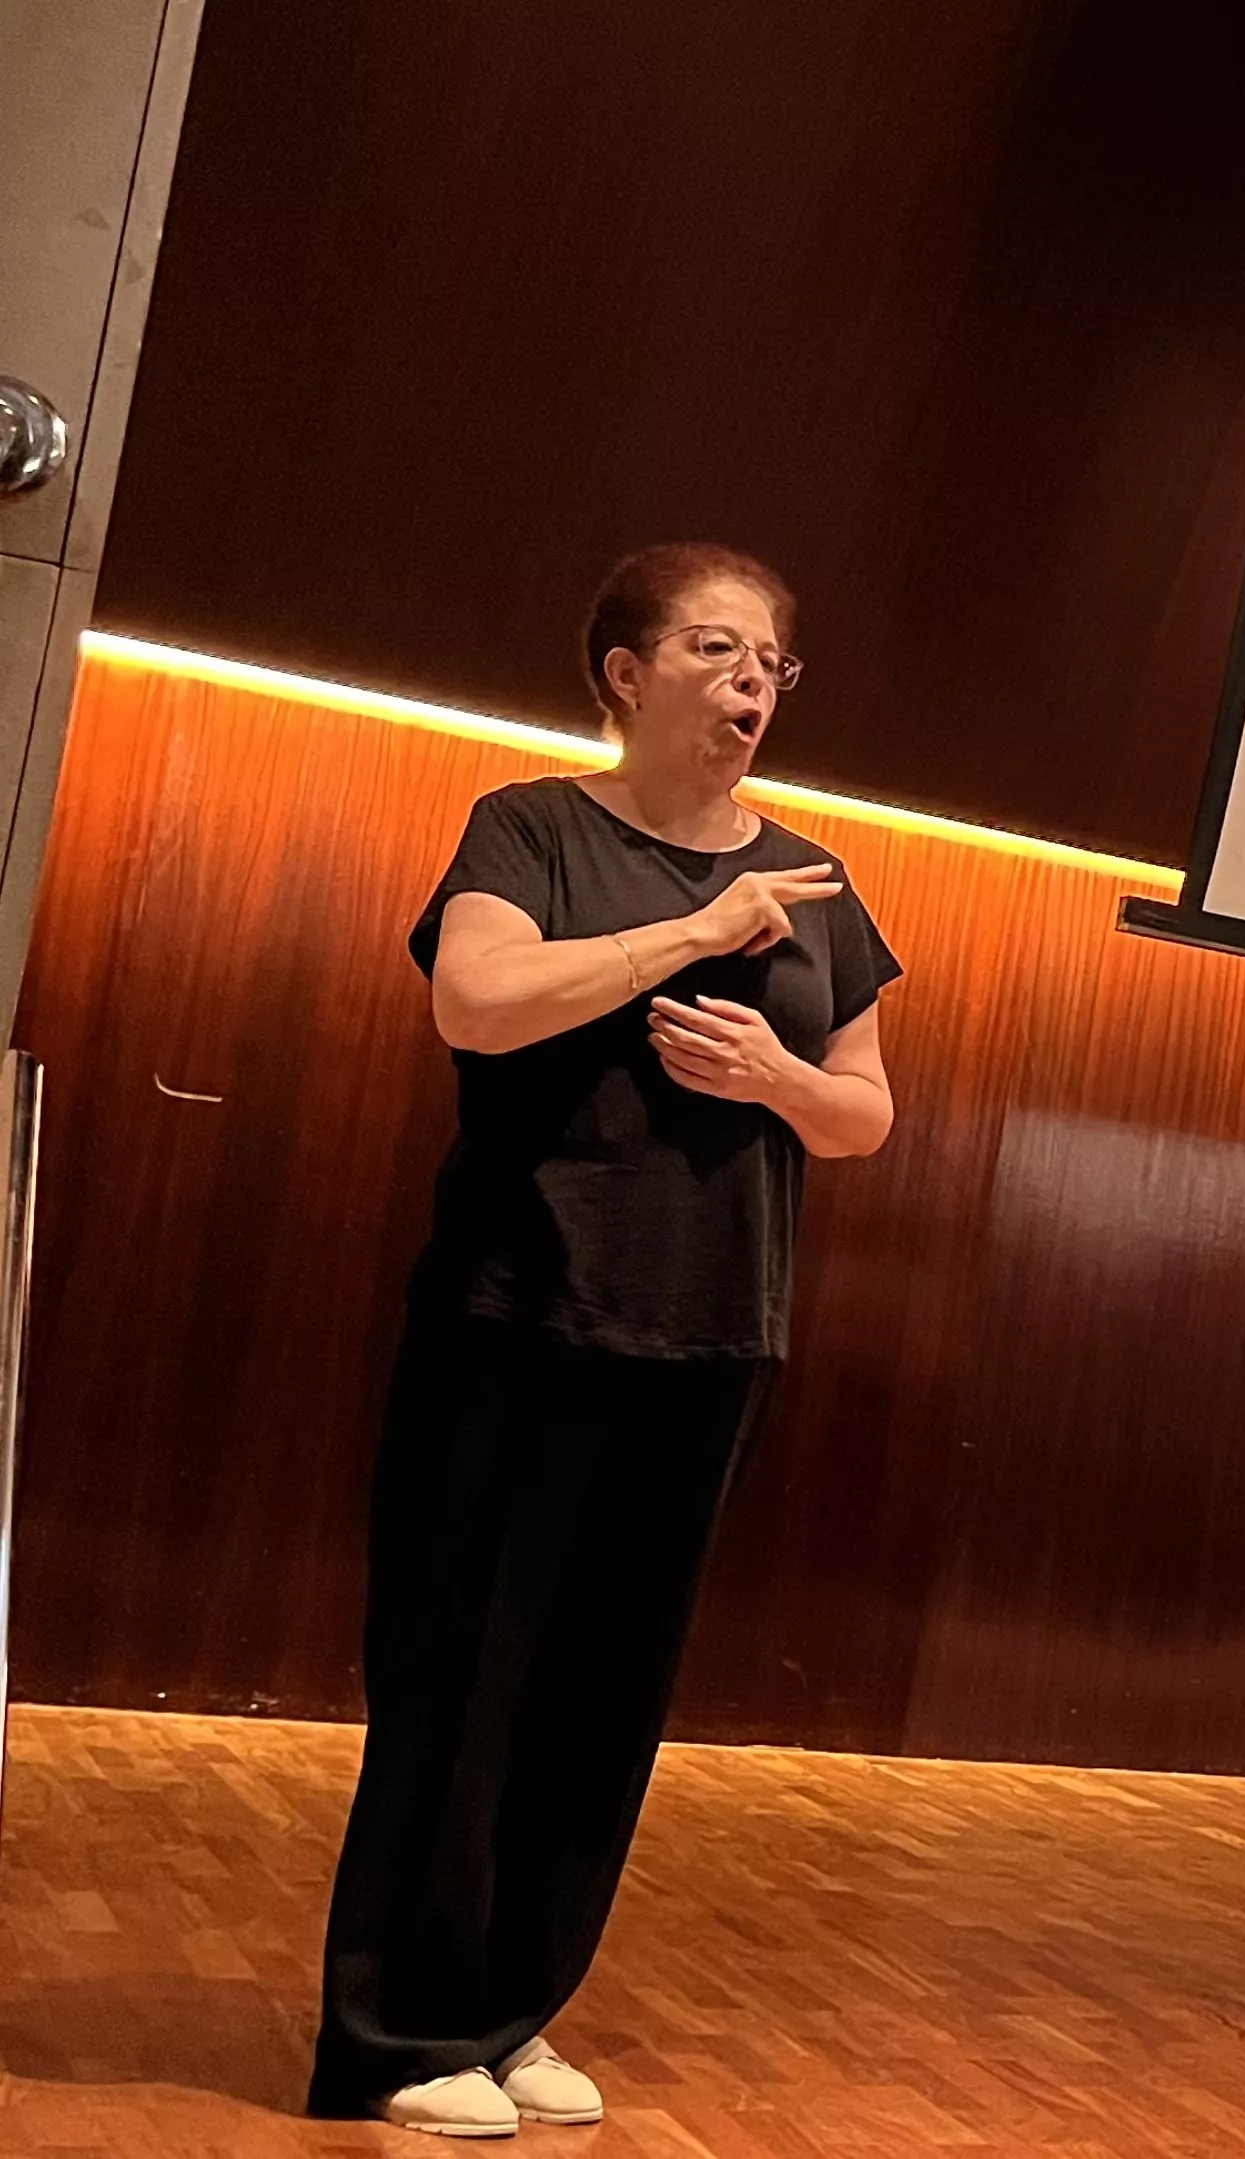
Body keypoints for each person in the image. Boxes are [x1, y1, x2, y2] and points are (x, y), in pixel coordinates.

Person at [308, 544, 902, 2137]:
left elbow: (862, 1115)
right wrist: (694, 935)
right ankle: (396, 2027)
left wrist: (776, 1079)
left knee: (604, 1694)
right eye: (716, 649)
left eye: (773, 660)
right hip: (521, 1311)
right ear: (626, 674)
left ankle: (511, 2012)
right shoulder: (533, 828)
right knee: (464, 1672)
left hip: (711, 1333)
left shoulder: (819, 876)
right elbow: (479, 1003)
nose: (752, 683)